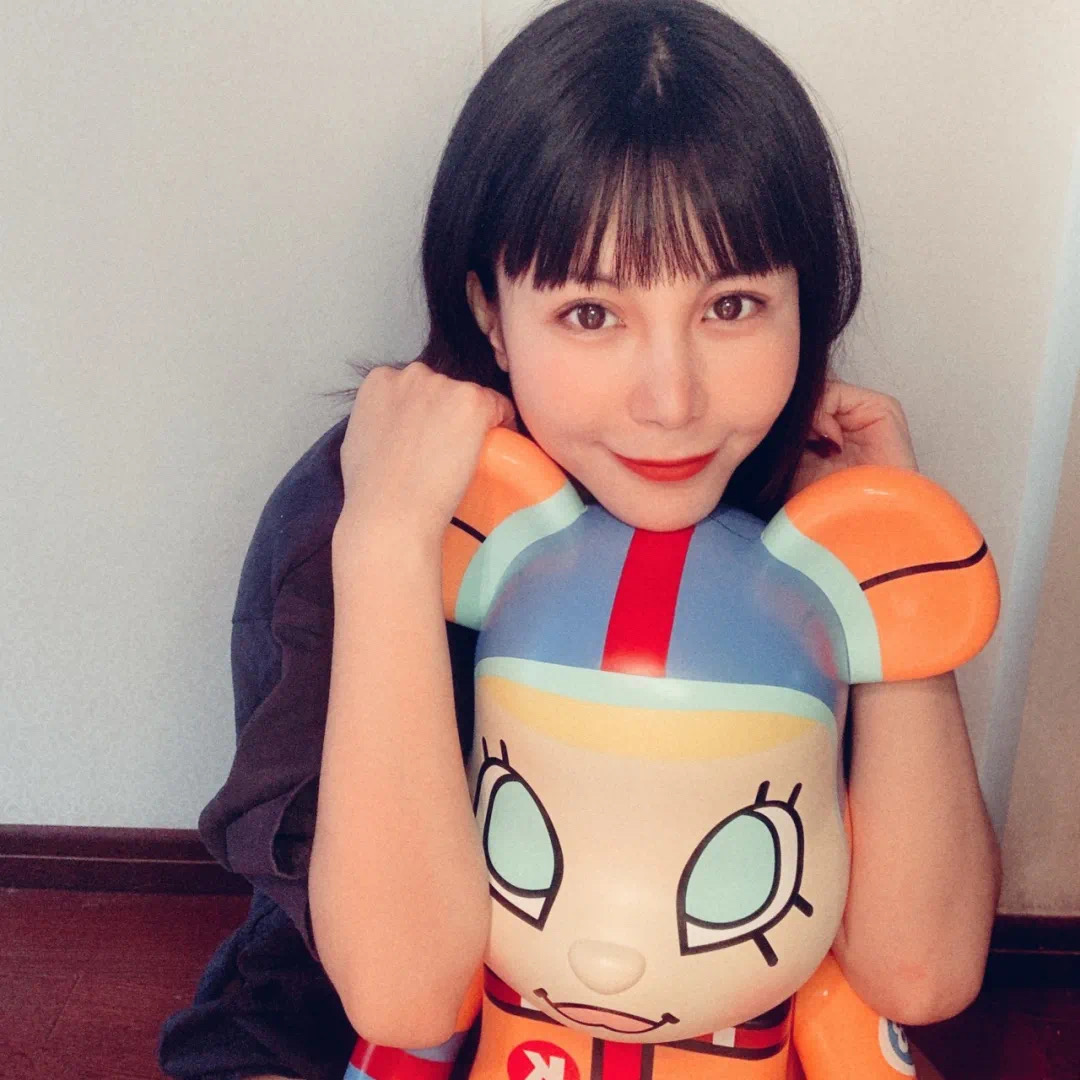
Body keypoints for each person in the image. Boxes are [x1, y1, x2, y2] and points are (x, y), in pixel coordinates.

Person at [159, 1, 1001, 1077]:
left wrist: (897, 567)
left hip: (719, 1029)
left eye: (733, 306)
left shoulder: (810, 510)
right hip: (341, 1018)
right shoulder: (369, 510)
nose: (671, 401)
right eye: (591, 314)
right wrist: (387, 552)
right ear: (492, 314)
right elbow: (404, 994)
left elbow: (921, 974)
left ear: (810, 304)